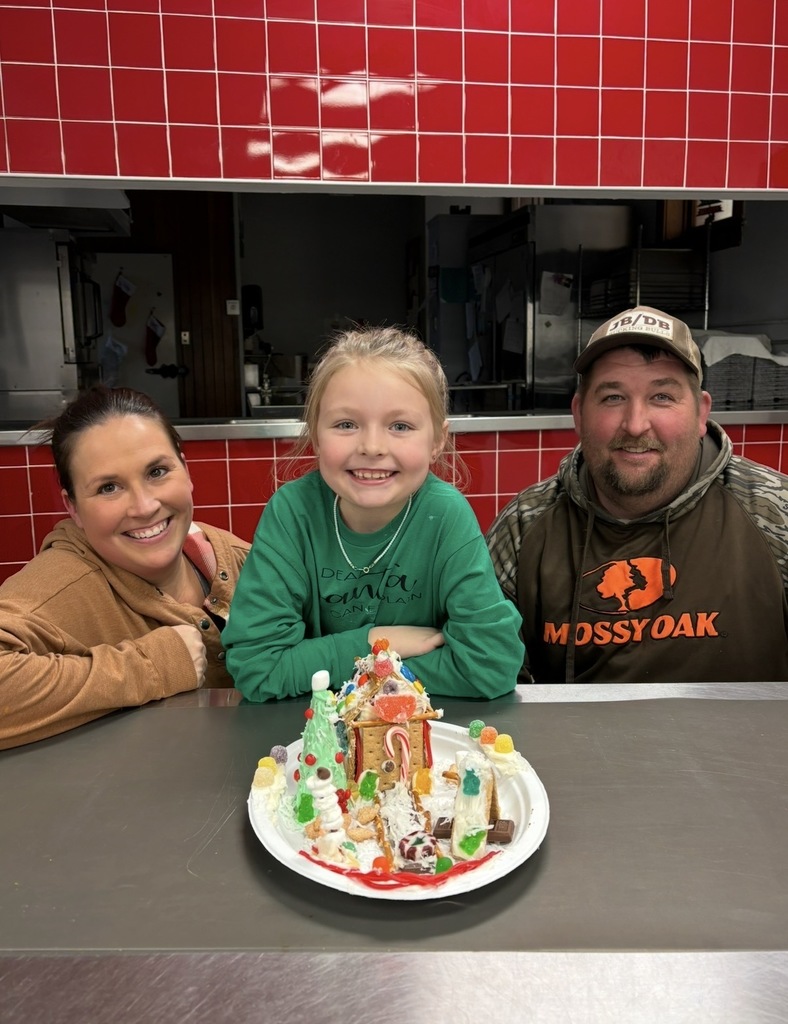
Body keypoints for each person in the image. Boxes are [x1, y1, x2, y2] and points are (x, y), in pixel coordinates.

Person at [486, 305, 788, 683]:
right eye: (613, 398)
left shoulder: (774, 511)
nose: (635, 424)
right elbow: (488, 679)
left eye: (662, 397)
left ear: (700, 413)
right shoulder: (524, 526)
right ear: (579, 414)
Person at [223, 325, 524, 701]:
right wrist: (373, 644)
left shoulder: (445, 516)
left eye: (400, 426)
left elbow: (490, 667)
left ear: (437, 442)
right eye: (346, 424)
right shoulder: (292, 514)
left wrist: (342, 666)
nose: (372, 446)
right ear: (316, 435)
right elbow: (257, 669)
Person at [0, 387, 250, 749]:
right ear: (72, 508)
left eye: (158, 471)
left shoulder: (242, 559)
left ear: (186, 469)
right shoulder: (64, 583)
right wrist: (154, 666)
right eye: (108, 487)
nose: (145, 506)